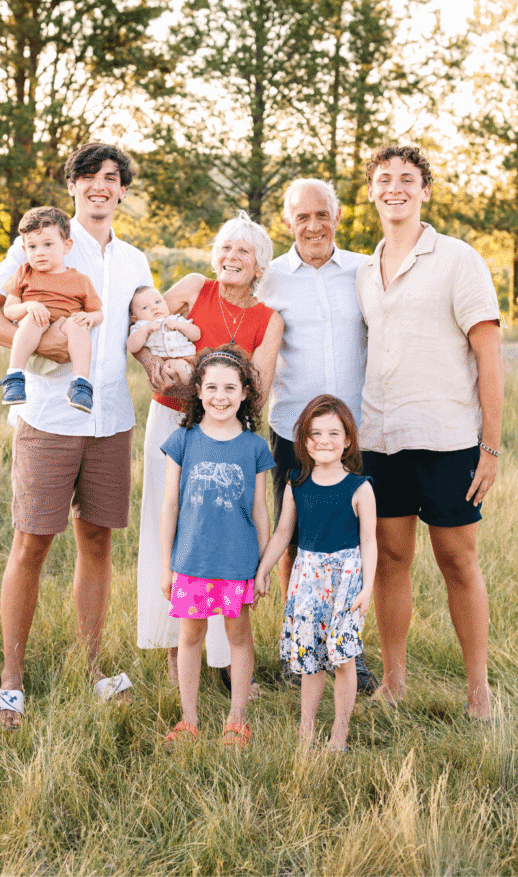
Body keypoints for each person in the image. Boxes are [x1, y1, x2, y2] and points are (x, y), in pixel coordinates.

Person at [0, 142, 152, 729]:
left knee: (97, 542)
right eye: (90, 176)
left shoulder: (134, 261)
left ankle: (92, 669)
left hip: (111, 422)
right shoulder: (39, 243)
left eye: (112, 178)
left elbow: (135, 331)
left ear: (122, 190)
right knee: (32, 545)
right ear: (73, 185)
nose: (101, 185)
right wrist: (46, 344)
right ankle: (12, 682)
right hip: (47, 420)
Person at [357, 144, 503, 722]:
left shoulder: (458, 259)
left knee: (457, 561)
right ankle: (394, 681)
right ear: (371, 191)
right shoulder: (365, 268)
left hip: (448, 439)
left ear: (424, 190)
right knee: (391, 558)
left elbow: (489, 356)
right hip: (382, 438)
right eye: (385, 179)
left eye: (407, 179)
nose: (395, 187)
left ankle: (478, 689)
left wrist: (490, 446)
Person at [135, 210, 284, 696]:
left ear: (260, 265)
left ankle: (226, 657)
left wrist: (200, 383)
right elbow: (141, 322)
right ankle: (180, 648)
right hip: (172, 424)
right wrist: (153, 361)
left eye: (243, 251)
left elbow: (257, 388)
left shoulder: (268, 319)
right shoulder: (194, 287)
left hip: (227, 436)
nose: (231, 258)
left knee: (225, 532)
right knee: (173, 525)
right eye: (225, 248)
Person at [256, 178, 377, 694]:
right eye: (301, 217)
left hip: (357, 434)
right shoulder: (272, 278)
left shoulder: (364, 270)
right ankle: (299, 649)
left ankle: (351, 648)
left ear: (338, 216)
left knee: (353, 543)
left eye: (321, 215)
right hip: (293, 433)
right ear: (287, 222)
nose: (312, 225)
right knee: (296, 543)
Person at [160, 347, 274, 747]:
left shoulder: (254, 447)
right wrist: (165, 565)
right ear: (198, 391)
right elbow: (170, 504)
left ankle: (236, 719)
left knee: (239, 637)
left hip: (237, 563)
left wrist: (263, 567)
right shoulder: (183, 440)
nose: (220, 396)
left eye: (230, 387)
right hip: (191, 560)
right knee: (190, 636)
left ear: (244, 393)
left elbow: (260, 509)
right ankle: (188, 719)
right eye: (212, 387)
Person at [255, 395, 376, 750]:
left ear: (348, 440)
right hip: (307, 580)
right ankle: (306, 728)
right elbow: (282, 534)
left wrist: (367, 588)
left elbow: (369, 542)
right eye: (315, 433)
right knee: (309, 660)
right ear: (304, 440)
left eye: (334, 433)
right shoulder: (296, 484)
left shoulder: (360, 487)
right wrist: (263, 570)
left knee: (342, 658)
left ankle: (340, 730)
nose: (324, 440)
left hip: (345, 582)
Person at [0, 206, 103, 413]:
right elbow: (9, 311)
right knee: (33, 318)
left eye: (48, 244)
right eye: (33, 247)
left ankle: (81, 384)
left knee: (77, 323)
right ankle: (15, 377)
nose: (40, 253)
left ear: (66, 246)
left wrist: (88, 317)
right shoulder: (25, 273)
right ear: (24, 250)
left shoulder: (80, 280)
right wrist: (29, 305)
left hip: (66, 329)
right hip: (36, 327)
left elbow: (98, 313)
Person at [126, 285, 201, 385]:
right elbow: (131, 347)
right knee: (183, 369)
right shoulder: (141, 326)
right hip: (169, 363)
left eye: (157, 302)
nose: (154, 308)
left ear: (166, 304)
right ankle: (194, 390)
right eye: (145, 307)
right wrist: (146, 330)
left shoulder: (176, 319)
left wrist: (178, 325)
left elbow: (196, 335)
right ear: (135, 318)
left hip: (193, 358)